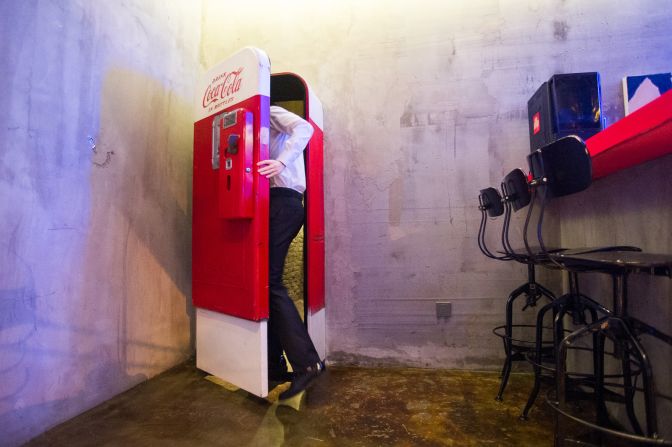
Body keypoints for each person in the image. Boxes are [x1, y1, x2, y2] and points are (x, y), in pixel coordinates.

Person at [257, 105, 324, 400]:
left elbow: (305, 128)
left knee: (271, 284)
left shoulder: (269, 110)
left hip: (282, 201)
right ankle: (275, 364)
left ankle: (307, 365)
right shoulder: (259, 124)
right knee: (265, 285)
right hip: (274, 201)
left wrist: (281, 163)